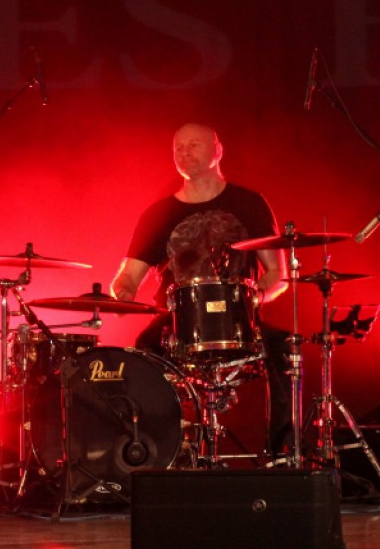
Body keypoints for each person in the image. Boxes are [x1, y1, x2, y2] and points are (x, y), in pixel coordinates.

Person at [111, 122, 291, 455]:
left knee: (285, 350)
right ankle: (158, 452)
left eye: (193, 145)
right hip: (176, 324)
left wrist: (252, 301)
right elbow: (128, 278)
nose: (184, 153)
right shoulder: (158, 213)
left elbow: (278, 273)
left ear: (218, 151)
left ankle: (280, 456)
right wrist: (123, 294)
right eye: (178, 148)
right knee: (142, 354)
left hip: (240, 320)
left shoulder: (249, 202)